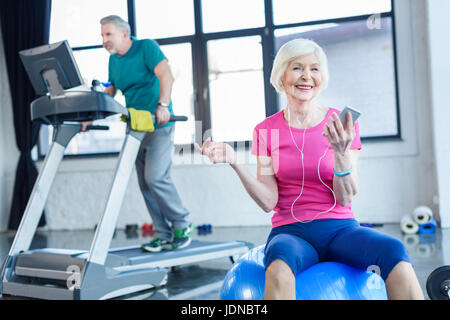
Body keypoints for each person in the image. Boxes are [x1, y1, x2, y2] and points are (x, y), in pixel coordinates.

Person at [195, 38, 424, 300]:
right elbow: (269, 201)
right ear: (281, 75)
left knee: (394, 251)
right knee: (279, 267)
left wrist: (340, 153)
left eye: (314, 69)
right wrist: (235, 161)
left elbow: (346, 197)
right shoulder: (266, 131)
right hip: (291, 231)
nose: (307, 76)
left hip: (341, 229)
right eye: (297, 67)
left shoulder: (342, 125)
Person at [83, 15, 193, 252]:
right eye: (102, 35)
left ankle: (182, 224)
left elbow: (166, 75)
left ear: (125, 34)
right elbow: (110, 91)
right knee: (145, 184)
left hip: (159, 124)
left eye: (108, 34)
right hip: (135, 127)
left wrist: (163, 105)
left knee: (156, 177)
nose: (104, 40)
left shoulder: (146, 47)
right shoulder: (114, 61)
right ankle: (163, 234)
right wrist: (90, 115)